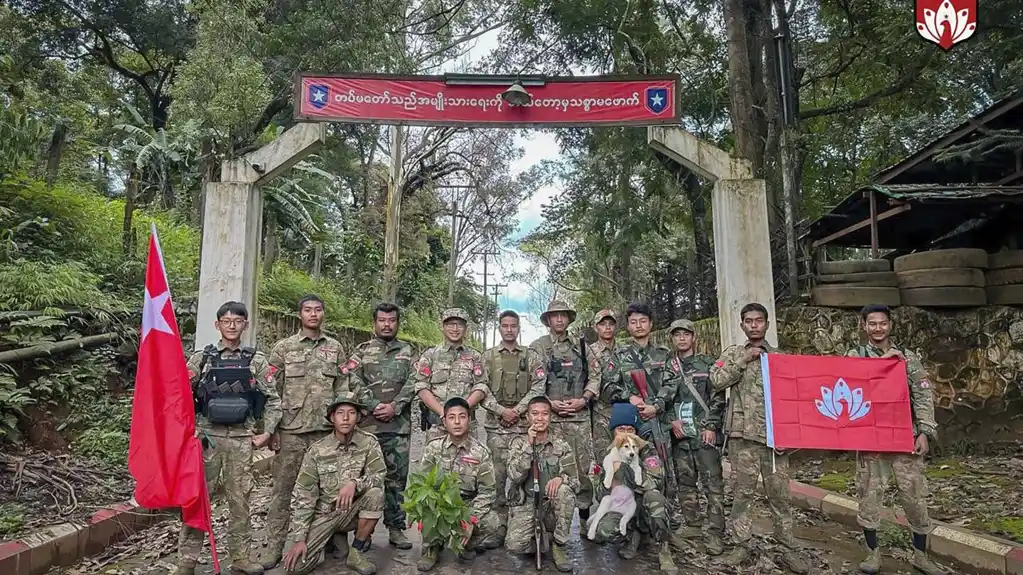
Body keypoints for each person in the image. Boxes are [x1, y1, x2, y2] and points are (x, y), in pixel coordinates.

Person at [175, 301, 283, 575]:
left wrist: (267, 432)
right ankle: (187, 561)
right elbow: (180, 392)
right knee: (196, 500)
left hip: (240, 439)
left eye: (238, 321)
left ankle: (241, 558)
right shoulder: (203, 358)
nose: (232, 325)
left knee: (240, 501)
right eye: (226, 321)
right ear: (217, 324)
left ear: (245, 325)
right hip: (207, 439)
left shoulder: (256, 360)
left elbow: (272, 400)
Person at [846, 304, 947, 575]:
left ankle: (921, 555)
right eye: (872, 323)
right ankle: (873, 554)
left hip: (905, 438)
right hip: (872, 440)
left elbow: (923, 394)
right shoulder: (854, 356)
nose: (878, 328)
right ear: (863, 325)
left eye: (883, 323)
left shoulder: (907, 359)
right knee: (869, 495)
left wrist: (925, 431)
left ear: (890, 325)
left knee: (914, 496)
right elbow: (848, 386)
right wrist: (882, 365)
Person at [709, 302, 808, 574]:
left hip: (775, 439)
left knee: (780, 496)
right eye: (748, 321)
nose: (754, 325)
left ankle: (787, 547)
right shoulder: (732, 355)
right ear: (742, 325)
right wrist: (743, 361)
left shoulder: (780, 357)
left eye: (759, 320)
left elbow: (794, 397)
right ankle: (741, 545)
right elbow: (716, 381)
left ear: (766, 324)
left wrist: (791, 434)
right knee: (742, 495)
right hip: (743, 437)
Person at [261, 295, 346, 569]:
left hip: (325, 432)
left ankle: (331, 540)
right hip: (291, 431)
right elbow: (271, 392)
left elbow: (342, 388)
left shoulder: (335, 348)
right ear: (300, 315)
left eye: (318, 310)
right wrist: (271, 429)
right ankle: (275, 546)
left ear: (323, 314)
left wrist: (344, 425)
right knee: (284, 491)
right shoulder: (283, 348)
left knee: (328, 489)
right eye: (308, 310)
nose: (313, 314)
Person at [271, 392, 385, 575]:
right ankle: (335, 539)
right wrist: (300, 538)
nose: (346, 418)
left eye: (351, 413)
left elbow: (379, 475)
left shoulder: (368, 443)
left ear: (359, 417)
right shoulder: (317, 451)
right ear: (332, 417)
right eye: (340, 413)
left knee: (376, 494)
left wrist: (355, 483)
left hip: (351, 512)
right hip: (324, 515)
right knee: (296, 568)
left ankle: (355, 552)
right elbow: (303, 495)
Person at [344, 302, 418, 550]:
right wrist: (374, 403)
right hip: (367, 429)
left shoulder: (408, 352)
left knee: (397, 481)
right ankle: (362, 533)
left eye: (392, 320)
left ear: (398, 323)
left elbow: (415, 381)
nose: (387, 324)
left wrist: (395, 406)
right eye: (382, 320)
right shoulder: (361, 352)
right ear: (374, 323)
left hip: (398, 428)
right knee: (366, 481)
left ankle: (396, 528)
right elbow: (351, 378)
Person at [529, 300, 600, 526]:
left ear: (568, 319)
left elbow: (596, 376)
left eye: (563, 315)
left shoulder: (581, 346)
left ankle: (584, 517)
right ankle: (547, 522)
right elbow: (532, 380)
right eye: (554, 316)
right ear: (548, 320)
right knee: (547, 467)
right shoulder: (538, 347)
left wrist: (584, 399)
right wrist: (548, 403)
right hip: (549, 420)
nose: (559, 319)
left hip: (578, 419)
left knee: (581, 469)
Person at [479, 310, 547, 543]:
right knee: (496, 478)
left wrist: (517, 411)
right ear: (499, 328)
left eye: (513, 326)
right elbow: (480, 388)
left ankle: (525, 526)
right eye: (505, 326)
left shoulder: (530, 356)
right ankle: (498, 527)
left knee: (525, 476)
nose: (509, 329)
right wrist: (501, 411)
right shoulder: (487, 357)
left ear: (519, 329)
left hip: (523, 427)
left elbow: (539, 385)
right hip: (496, 427)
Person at [588, 402, 678, 574]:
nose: (625, 434)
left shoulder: (646, 449)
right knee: (604, 530)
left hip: (644, 502)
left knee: (654, 498)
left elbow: (655, 482)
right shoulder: (607, 454)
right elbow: (600, 493)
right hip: (623, 504)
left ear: (636, 431)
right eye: (621, 429)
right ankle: (633, 536)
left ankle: (664, 548)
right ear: (613, 431)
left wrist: (628, 475)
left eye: (630, 429)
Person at [415, 397, 501, 571]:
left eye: (462, 417)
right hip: (440, 503)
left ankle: (466, 545)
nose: (457, 422)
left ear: (469, 420)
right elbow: (422, 484)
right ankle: (432, 547)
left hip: (466, 505)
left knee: (492, 521)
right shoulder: (433, 448)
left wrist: (471, 517)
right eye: (451, 417)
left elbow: (488, 491)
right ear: (444, 421)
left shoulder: (480, 452)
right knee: (426, 505)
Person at [665, 318, 726, 555]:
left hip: (704, 435)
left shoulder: (707, 364)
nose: (682, 338)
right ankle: (692, 524)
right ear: (672, 339)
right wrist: (671, 420)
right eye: (677, 334)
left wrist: (711, 425)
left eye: (686, 334)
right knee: (686, 484)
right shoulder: (668, 368)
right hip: (681, 437)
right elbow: (663, 398)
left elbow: (718, 397)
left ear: (693, 337)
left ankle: (715, 533)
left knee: (713, 485)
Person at [505, 396, 578, 572]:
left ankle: (558, 546)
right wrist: (529, 446)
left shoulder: (561, 445)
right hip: (528, 501)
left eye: (545, 414)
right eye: (535, 414)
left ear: (550, 417)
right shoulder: (518, 444)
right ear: (528, 417)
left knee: (565, 492)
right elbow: (515, 476)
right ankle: (543, 542)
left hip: (551, 502)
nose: (540, 418)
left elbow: (575, 481)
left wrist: (562, 479)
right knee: (514, 546)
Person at [414, 308, 488, 442]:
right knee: (435, 463)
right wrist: (443, 412)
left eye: (459, 324)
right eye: (450, 324)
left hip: (467, 427)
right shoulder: (430, 355)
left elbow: (481, 386)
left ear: (466, 328)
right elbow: (421, 386)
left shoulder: (475, 356)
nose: (455, 328)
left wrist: (462, 409)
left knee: (469, 462)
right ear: (443, 327)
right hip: (437, 426)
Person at [589, 309, 619, 462]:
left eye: (611, 324)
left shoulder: (624, 350)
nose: (607, 328)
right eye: (603, 324)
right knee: (604, 458)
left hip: (623, 409)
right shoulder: (589, 352)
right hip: (600, 411)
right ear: (596, 327)